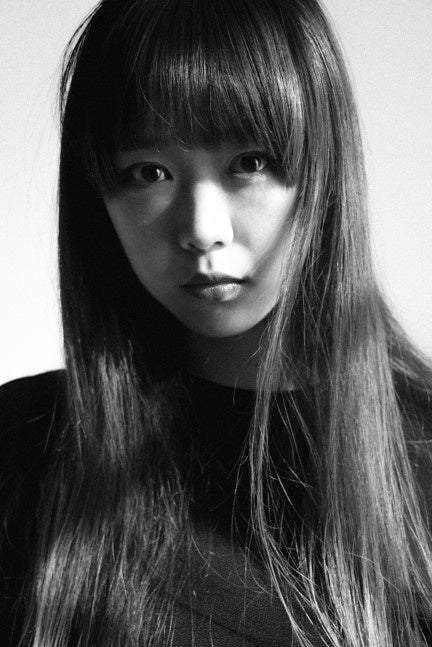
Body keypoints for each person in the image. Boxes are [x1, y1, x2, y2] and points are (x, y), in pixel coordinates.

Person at [1, 0, 431, 645]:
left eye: (249, 163)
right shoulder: (24, 448)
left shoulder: (420, 457)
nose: (203, 230)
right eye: (149, 173)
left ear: (325, 173)